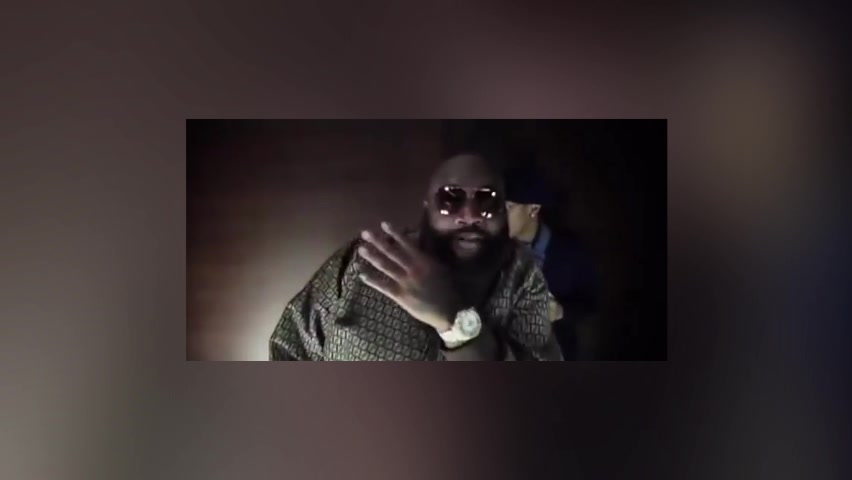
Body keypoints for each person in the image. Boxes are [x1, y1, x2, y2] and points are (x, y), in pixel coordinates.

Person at [269, 153, 562, 361]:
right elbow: (289, 349)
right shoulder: (363, 262)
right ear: (427, 207)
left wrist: (454, 320)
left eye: (488, 201)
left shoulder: (522, 276)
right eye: (450, 199)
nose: (470, 215)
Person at [504, 165, 597, 360]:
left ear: (533, 209)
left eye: (509, 208)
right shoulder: (492, 249)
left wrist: (560, 311)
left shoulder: (570, 252)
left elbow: (590, 303)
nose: (501, 216)